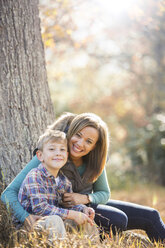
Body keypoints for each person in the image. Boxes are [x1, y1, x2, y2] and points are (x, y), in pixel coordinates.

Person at [1, 112, 165, 243]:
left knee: (151, 215)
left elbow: (104, 194)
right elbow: (9, 193)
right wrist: (25, 217)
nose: (80, 143)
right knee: (118, 219)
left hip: (85, 205)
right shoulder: (54, 154)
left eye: (88, 141)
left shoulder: (94, 160)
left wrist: (84, 198)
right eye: (77, 135)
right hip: (58, 212)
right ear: (71, 131)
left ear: (95, 146)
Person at [16, 129, 95, 239]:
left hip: (55, 226)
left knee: (85, 220)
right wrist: (72, 215)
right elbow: (40, 208)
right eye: (52, 149)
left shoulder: (64, 181)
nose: (58, 153)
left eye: (62, 149)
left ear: (67, 155)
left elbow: (69, 204)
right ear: (40, 155)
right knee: (55, 220)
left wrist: (82, 209)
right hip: (31, 227)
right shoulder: (35, 176)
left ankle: (91, 245)